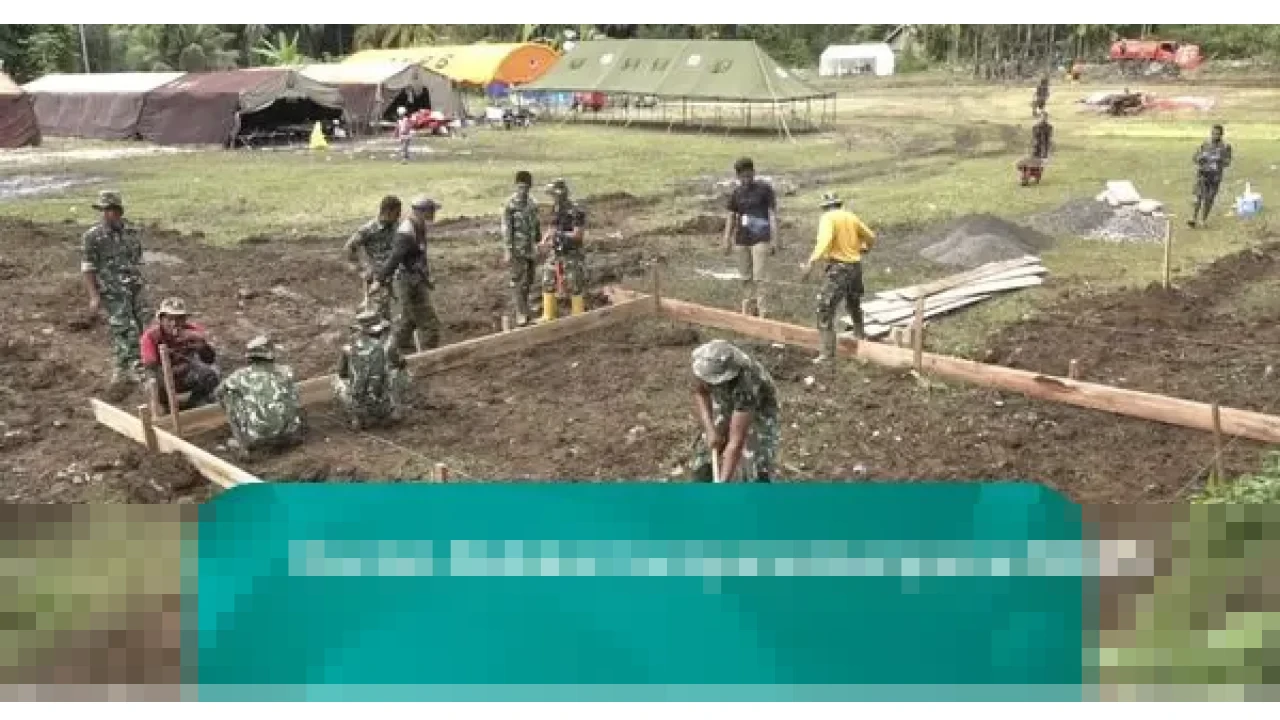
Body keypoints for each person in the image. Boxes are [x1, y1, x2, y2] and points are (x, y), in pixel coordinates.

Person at [81, 190, 149, 388]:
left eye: (109, 209)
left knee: (141, 325)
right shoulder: (92, 237)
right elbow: (88, 267)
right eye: (103, 210)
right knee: (124, 328)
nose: (105, 214)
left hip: (135, 287)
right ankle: (135, 368)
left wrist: (141, 284)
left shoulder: (131, 232)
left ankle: (121, 367)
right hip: (112, 290)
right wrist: (94, 296)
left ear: (118, 211)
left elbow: (137, 259)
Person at [688, 340, 780, 484]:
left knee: (755, 460)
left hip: (758, 409)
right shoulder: (703, 364)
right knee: (706, 452)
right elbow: (701, 392)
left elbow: (736, 442)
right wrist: (710, 429)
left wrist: (722, 484)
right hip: (725, 400)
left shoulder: (748, 380)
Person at [801, 192, 876, 363]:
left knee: (824, 307)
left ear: (825, 207)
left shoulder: (828, 218)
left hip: (839, 268)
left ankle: (827, 354)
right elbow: (871, 236)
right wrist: (865, 248)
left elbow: (824, 241)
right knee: (854, 304)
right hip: (855, 267)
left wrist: (810, 263)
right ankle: (860, 338)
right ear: (839, 204)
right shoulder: (851, 216)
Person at [215, 336, 305, 460]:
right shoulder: (286, 371)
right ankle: (291, 429)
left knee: (229, 395)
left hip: (258, 438)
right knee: (289, 390)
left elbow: (218, 393)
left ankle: (244, 444)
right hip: (290, 433)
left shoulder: (239, 376)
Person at [377, 195, 442, 352]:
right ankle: (394, 357)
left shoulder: (420, 226)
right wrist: (379, 280)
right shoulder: (406, 231)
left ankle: (429, 356)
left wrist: (427, 278)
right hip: (404, 281)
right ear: (423, 211)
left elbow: (421, 256)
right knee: (405, 323)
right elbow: (394, 259)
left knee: (430, 323)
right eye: (431, 210)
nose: (434, 214)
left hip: (417, 279)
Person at [332, 309, 410, 430]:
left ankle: (356, 414)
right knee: (400, 372)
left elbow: (342, 374)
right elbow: (402, 363)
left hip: (359, 404)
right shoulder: (388, 346)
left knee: (336, 380)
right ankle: (393, 409)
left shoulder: (348, 348)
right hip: (382, 404)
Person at [140, 297, 220, 413]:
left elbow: (209, 359)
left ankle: (195, 401)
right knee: (152, 382)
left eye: (179, 319)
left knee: (212, 373)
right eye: (169, 319)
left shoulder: (193, 332)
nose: (174, 324)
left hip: (186, 374)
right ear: (161, 319)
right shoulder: (150, 337)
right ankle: (165, 405)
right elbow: (150, 366)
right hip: (163, 376)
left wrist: (202, 346)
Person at [723, 158, 779, 318]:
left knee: (760, 277)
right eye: (742, 177)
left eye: (748, 176)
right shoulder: (736, 193)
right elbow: (731, 216)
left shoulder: (765, 189)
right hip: (741, 239)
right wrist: (726, 238)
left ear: (754, 172)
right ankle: (748, 310)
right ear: (738, 176)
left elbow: (772, 215)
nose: (746, 180)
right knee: (745, 277)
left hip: (761, 237)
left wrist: (775, 239)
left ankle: (763, 313)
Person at [344, 196, 402, 321]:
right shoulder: (369, 229)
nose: (399, 216)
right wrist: (362, 271)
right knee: (378, 316)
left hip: (397, 275)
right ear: (387, 211)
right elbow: (349, 248)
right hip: (378, 279)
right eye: (397, 213)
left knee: (401, 315)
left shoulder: (396, 225)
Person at [539, 178, 588, 321]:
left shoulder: (575, 211)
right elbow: (553, 226)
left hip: (572, 253)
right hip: (557, 250)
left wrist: (560, 234)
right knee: (547, 278)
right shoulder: (556, 208)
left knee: (574, 283)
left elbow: (578, 235)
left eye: (554, 195)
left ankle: (578, 315)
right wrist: (544, 240)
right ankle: (549, 315)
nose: (553, 198)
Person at [503, 170, 541, 326]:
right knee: (519, 281)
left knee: (529, 280)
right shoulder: (510, 205)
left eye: (525, 187)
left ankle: (525, 309)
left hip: (530, 249)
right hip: (517, 249)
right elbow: (506, 228)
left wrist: (538, 241)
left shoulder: (532, 203)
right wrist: (508, 250)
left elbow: (536, 224)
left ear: (530, 187)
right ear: (516, 186)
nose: (523, 190)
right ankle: (521, 314)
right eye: (520, 187)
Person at [1189, 124, 1233, 229]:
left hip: (1215, 177)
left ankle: (1203, 220)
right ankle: (1193, 218)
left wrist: (1220, 160)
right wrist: (1200, 158)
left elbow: (1228, 162)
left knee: (1209, 199)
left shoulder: (1226, 147)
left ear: (1221, 135)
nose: (1214, 136)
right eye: (1213, 133)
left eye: (1217, 134)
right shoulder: (1205, 144)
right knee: (1198, 197)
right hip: (1203, 174)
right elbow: (1195, 158)